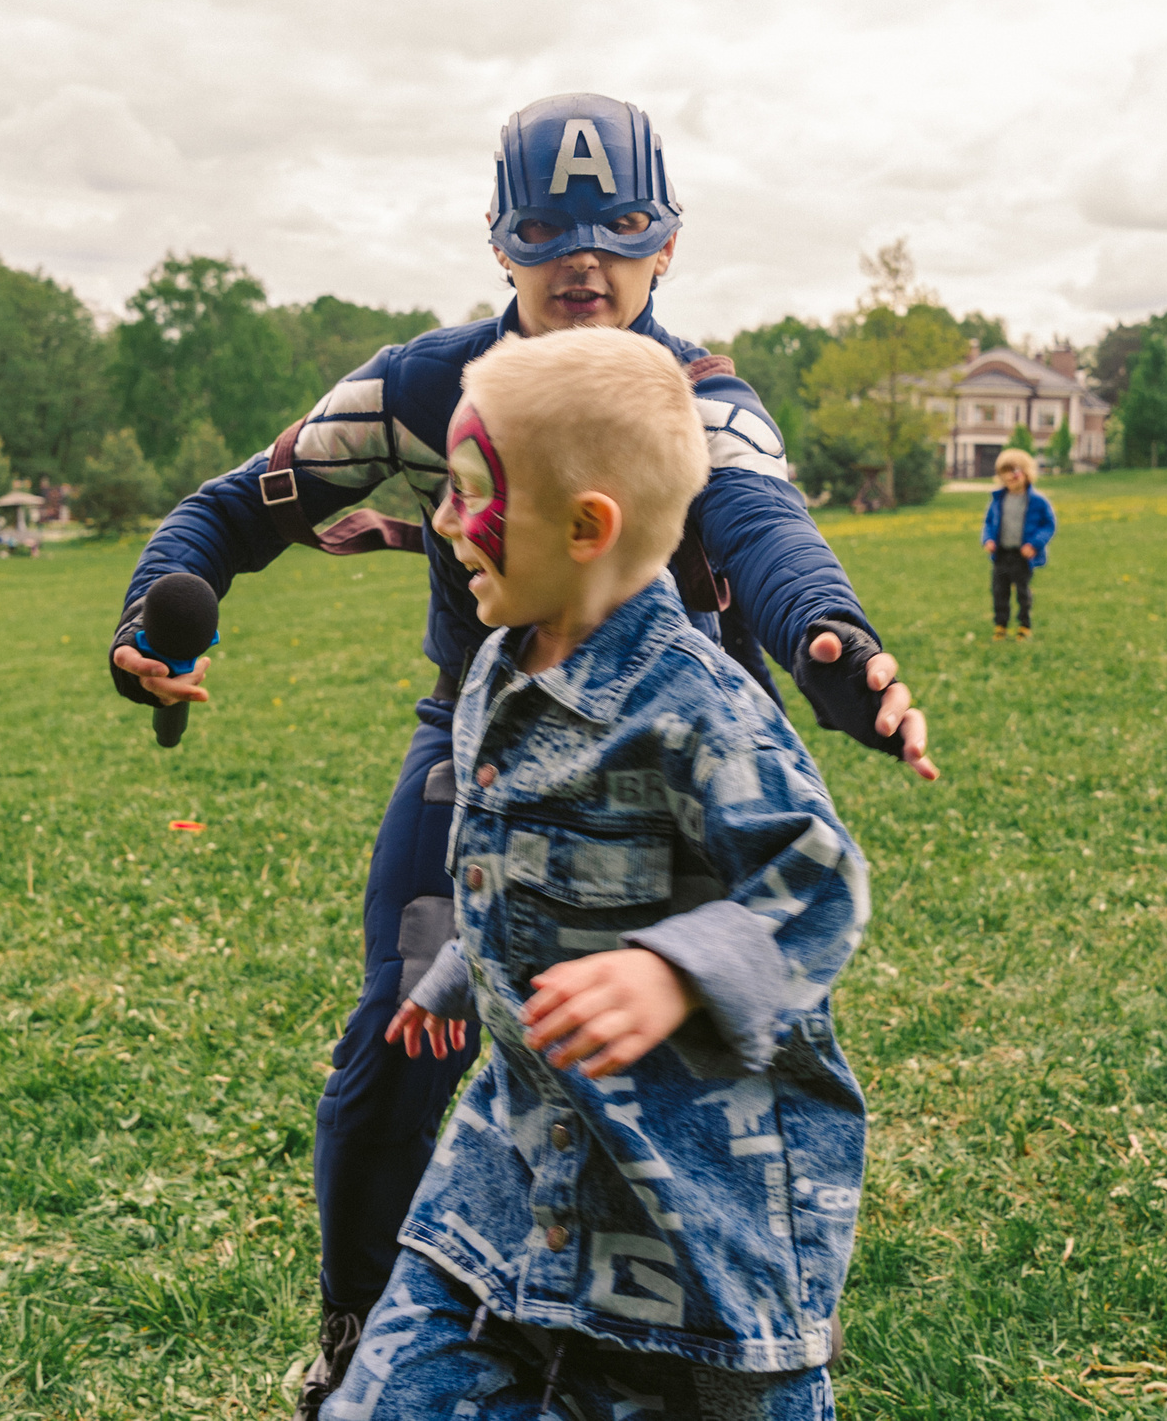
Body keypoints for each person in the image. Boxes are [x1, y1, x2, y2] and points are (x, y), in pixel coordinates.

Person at [104, 93, 937, 1417]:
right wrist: (159, 603)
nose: (586, 258)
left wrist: (837, 647)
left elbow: (771, 539)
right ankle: (372, 1335)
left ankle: (725, 1339)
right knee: (402, 1033)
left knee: (697, 1064)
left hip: (666, 749)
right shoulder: (428, 387)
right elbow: (233, 510)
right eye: (549, 228)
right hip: (486, 727)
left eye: (621, 225)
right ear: (500, 242)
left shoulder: (698, 400)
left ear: (671, 241)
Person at [333, 327, 865, 1419]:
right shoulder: (496, 662)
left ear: (587, 528)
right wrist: (455, 981)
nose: (441, 522)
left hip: (689, 1208)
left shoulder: (700, 710)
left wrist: (673, 973)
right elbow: (517, 864)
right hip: (507, 1177)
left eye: (470, 492)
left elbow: (818, 880)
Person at [982, 446, 1055, 640]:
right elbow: (989, 522)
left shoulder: (1037, 501)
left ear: (1026, 473)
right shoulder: (998, 499)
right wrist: (987, 539)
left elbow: (1049, 524)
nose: (1009, 478)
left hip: (1023, 556)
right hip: (1002, 554)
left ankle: (1024, 625)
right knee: (999, 591)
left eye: (1014, 472)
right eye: (1004, 473)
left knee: (1023, 592)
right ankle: (1001, 624)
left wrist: (1034, 544)